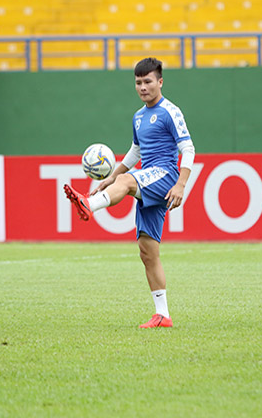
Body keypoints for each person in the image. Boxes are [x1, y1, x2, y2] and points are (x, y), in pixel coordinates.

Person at [64, 57, 195, 328]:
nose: (143, 87)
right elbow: (136, 152)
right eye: (138, 82)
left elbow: (188, 149)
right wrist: (110, 178)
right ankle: (162, 315)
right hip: (148, 177)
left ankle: (88, 204)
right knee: (147, 250)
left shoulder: (171, 111)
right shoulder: (138, 116)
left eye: (148, 81)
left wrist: (181, 184)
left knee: (126, 181)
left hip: (165, 175)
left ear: (160, 82)